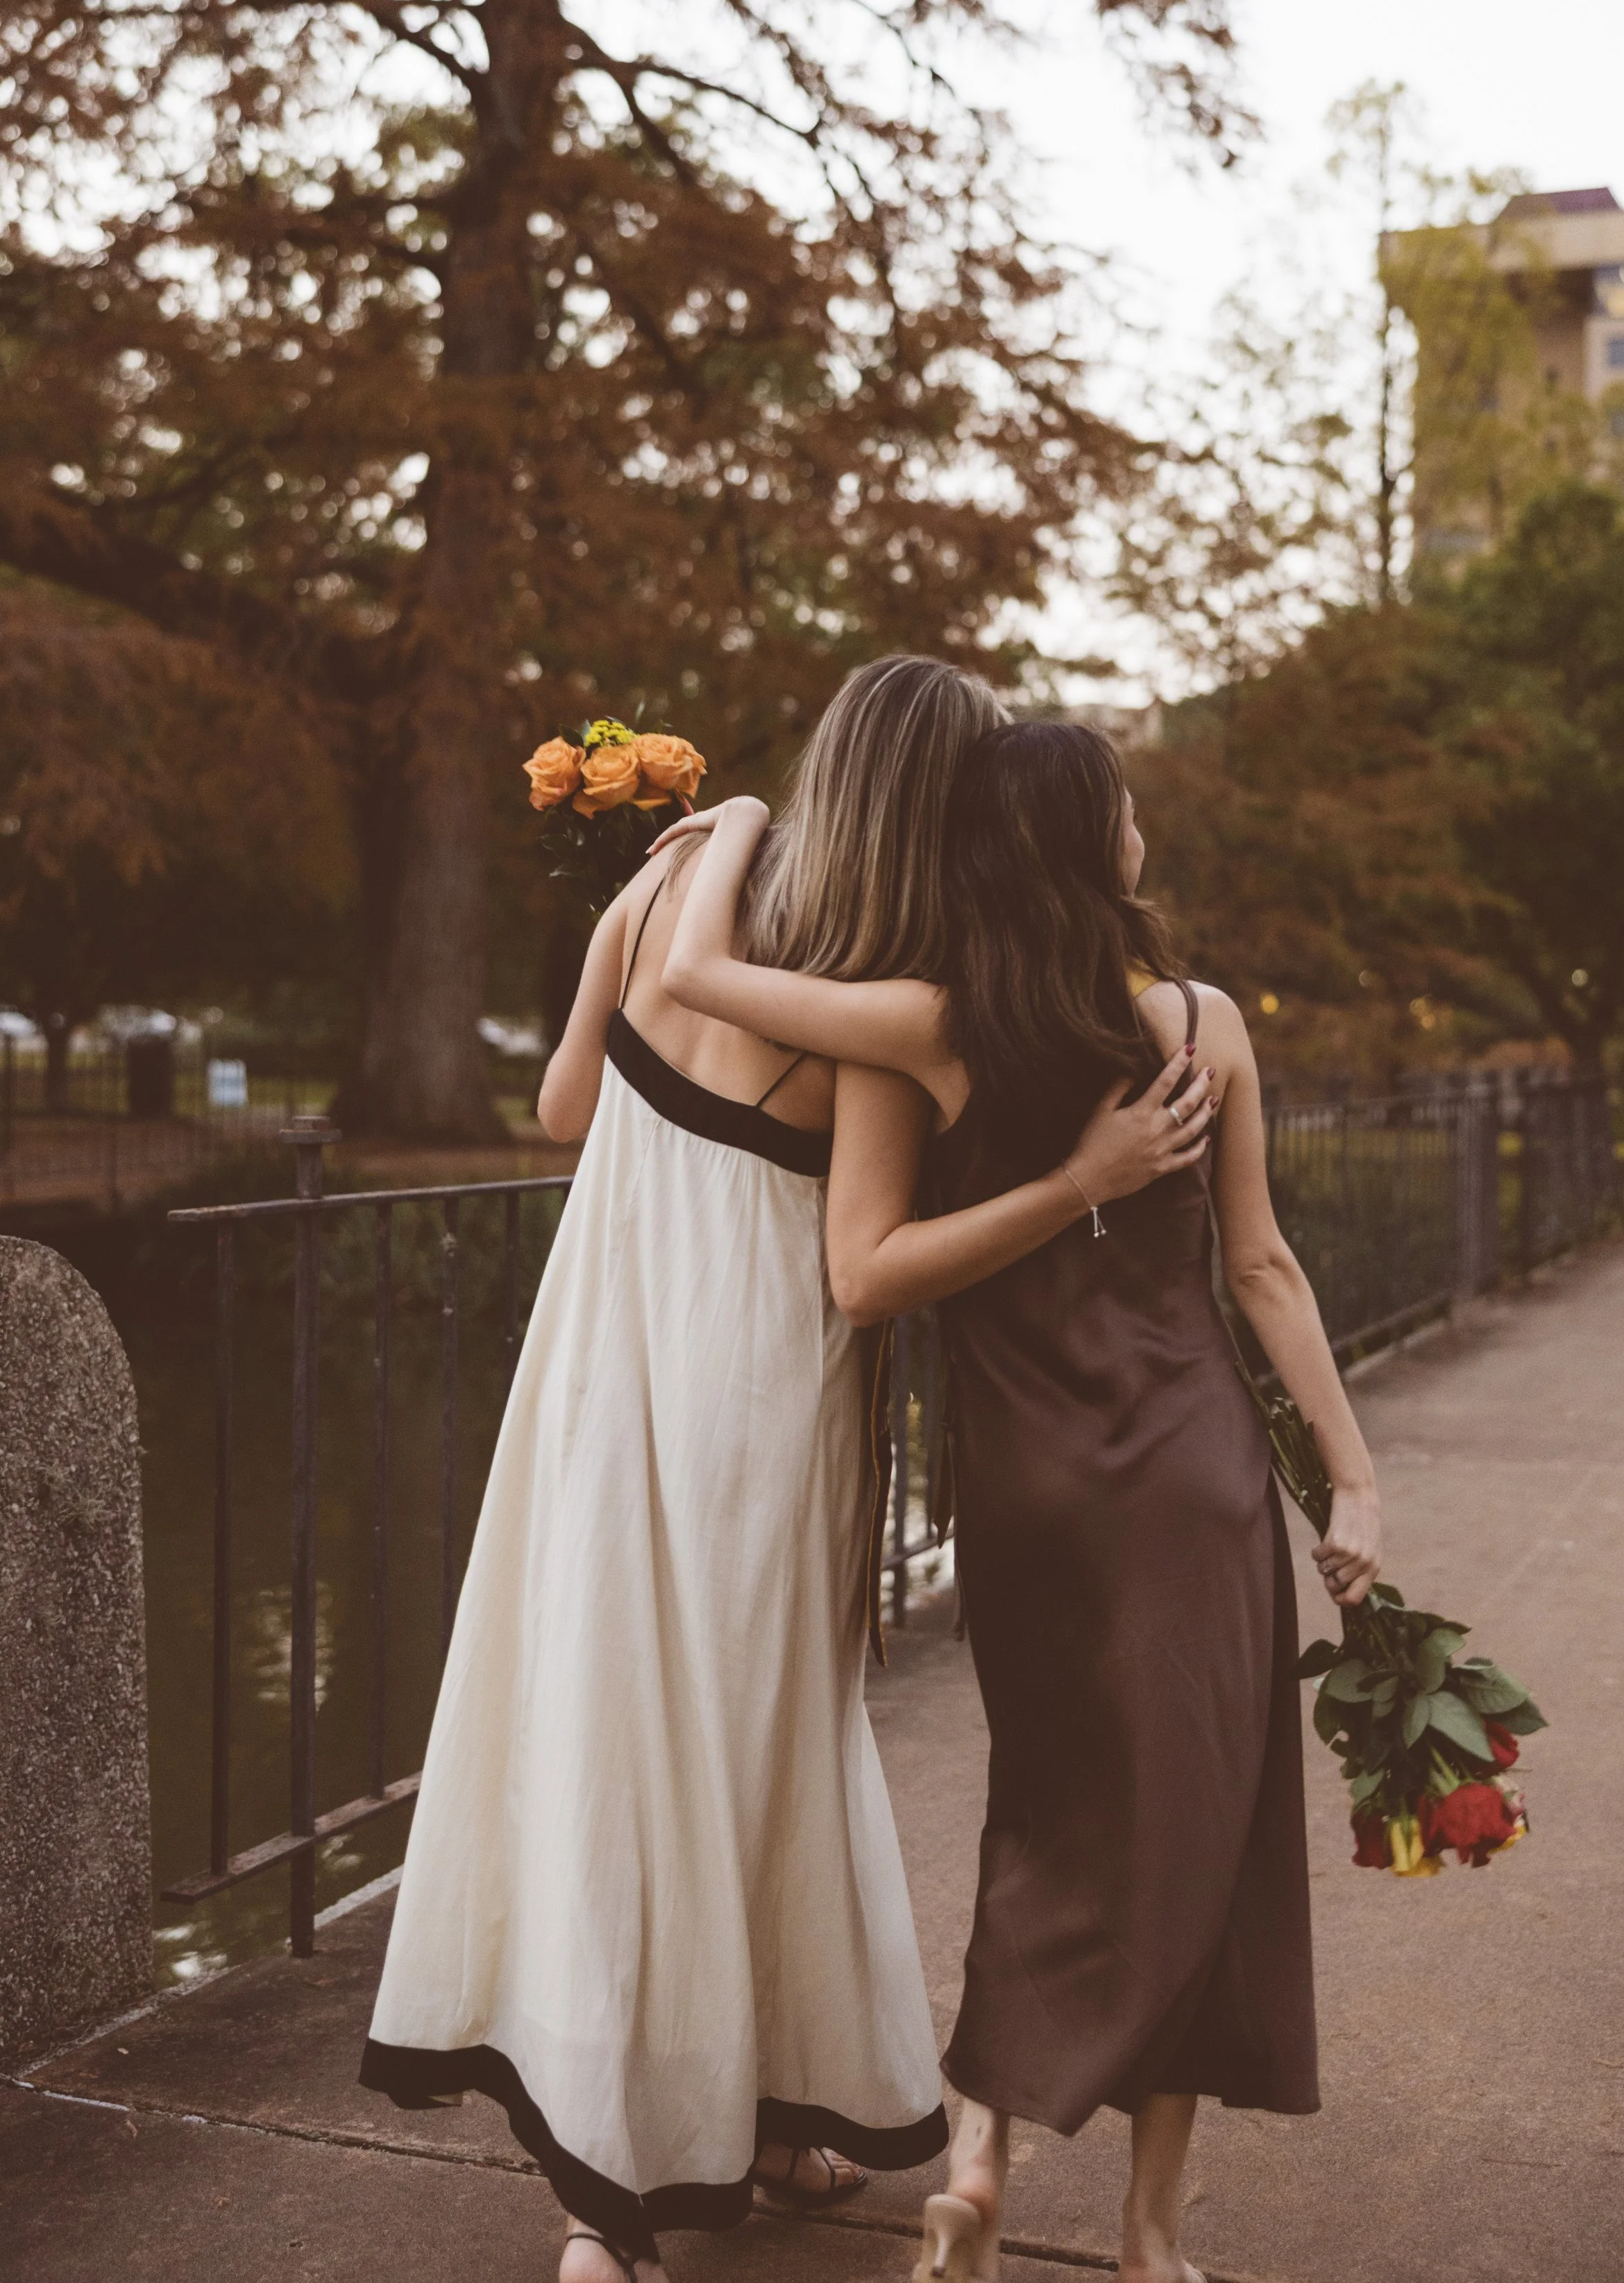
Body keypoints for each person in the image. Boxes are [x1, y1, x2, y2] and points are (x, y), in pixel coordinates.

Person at [359, 666, 1212, 2283]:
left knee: (621, 1748)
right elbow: (867, 1265)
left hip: (596, 1380)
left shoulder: (679, 877)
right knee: (736, 1754)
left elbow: (558, 1108)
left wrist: (719, 830)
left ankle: (655, 2171)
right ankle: (654, 2172)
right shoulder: (882, 996)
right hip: (753, 1410)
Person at [657, 721, 1386, 2283]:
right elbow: (1256, 1268)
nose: (1136, 825)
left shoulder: (925, 1024)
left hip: (1023, 1485)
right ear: (1088, 841)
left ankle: (978, 2160)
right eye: (1119, 806)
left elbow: (699, 982)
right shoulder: (1199, 1025)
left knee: (1043, 1814)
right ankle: (1143, 2234)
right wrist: (1349, 1472)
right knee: (1203, 1835)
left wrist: (728, 825)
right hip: (1190, 1484)